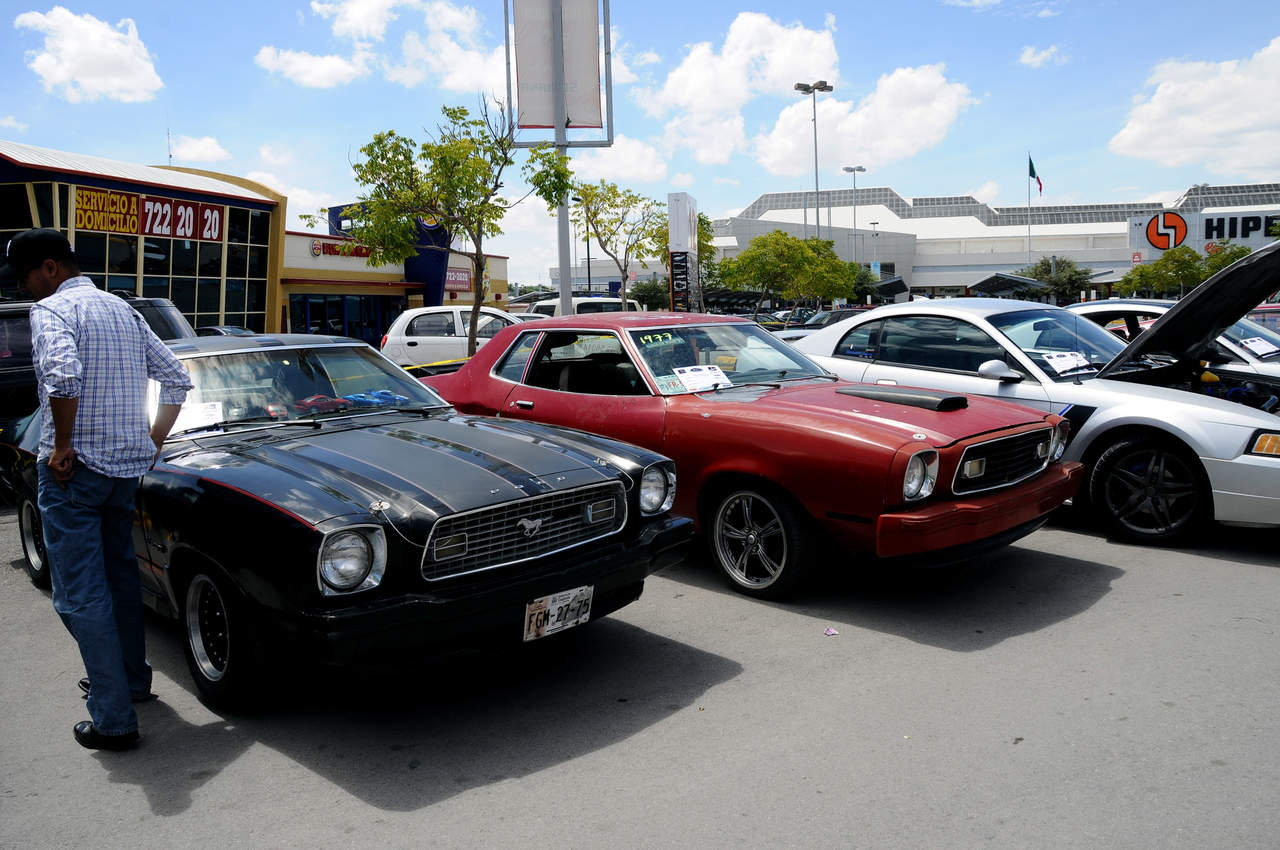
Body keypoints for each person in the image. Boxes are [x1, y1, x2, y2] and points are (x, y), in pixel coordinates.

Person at [2, 229, 192, 751]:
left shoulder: (53, 311)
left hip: (74, 472)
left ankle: (113, 717)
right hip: (122, 472)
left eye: (24, 278)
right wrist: (152, 441)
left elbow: (63, 378)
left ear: (49, 268)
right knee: (120, 579)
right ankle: (130, 681)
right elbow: (177, 378)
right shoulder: (123, 311)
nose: (23, 289)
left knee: (77, 594)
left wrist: (63, 444)